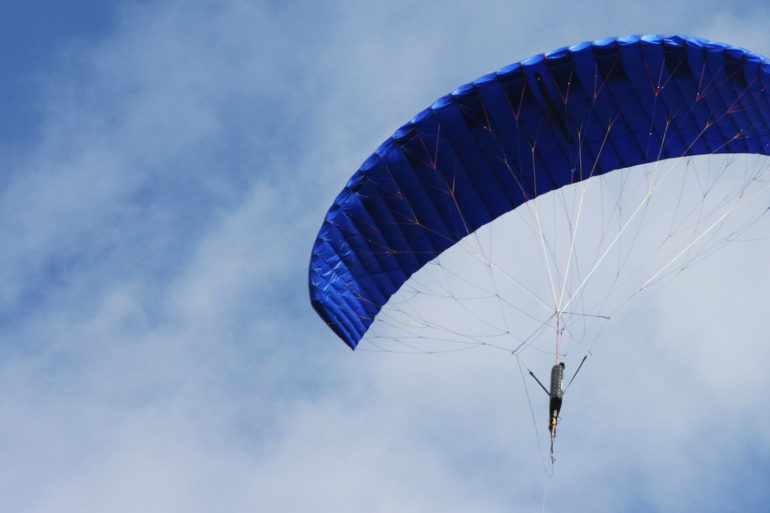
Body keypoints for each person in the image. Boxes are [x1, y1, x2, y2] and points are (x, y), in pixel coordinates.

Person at [548, 362, 565, 434]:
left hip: (556, 398)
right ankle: (552, 423)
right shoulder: (558, 370)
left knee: (554, 413)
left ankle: (552, 423)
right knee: (554, 413)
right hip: (557, 398)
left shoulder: (557, 370)